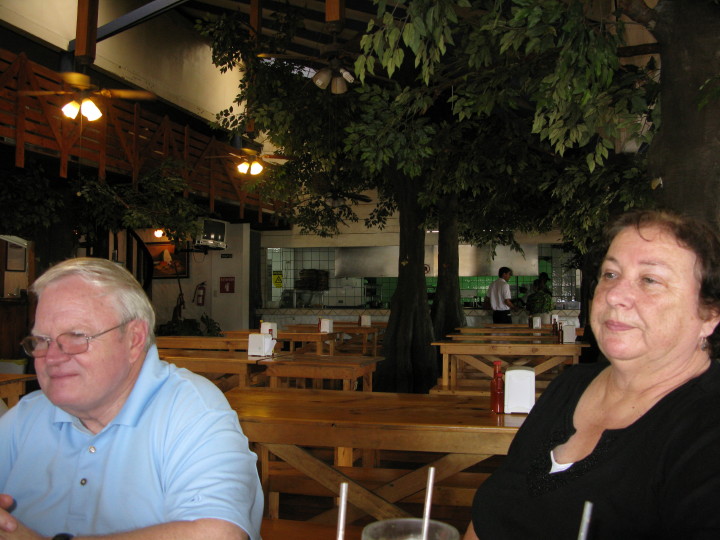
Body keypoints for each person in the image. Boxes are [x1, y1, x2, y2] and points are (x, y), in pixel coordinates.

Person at [465, 209, 720, 538]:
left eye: (650, 280)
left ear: (709, 314)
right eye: (610, 274)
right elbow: (492, 514)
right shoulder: (569, 385)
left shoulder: (707, 428)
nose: (614, 295)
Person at [0, 257, 263, 540]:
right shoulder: (25, 417)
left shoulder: (190, 410)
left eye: (76, 336)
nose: (51, 357)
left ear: (134, 339)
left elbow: (219, 533)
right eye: (41, 341)